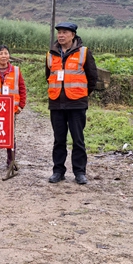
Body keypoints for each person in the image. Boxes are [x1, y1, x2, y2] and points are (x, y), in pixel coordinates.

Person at [46, 22, 98, 185]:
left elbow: (92, 78)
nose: (61, 35)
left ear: (73, 35)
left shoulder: (84, 53)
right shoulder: (51, 54)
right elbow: (48, 75)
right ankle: (58, 171)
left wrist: (81, 94)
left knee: (78, 139)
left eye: (64, 33)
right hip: (56, 103)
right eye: (59, 32)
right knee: (59, 139)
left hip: (76, 104)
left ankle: (80, 172)